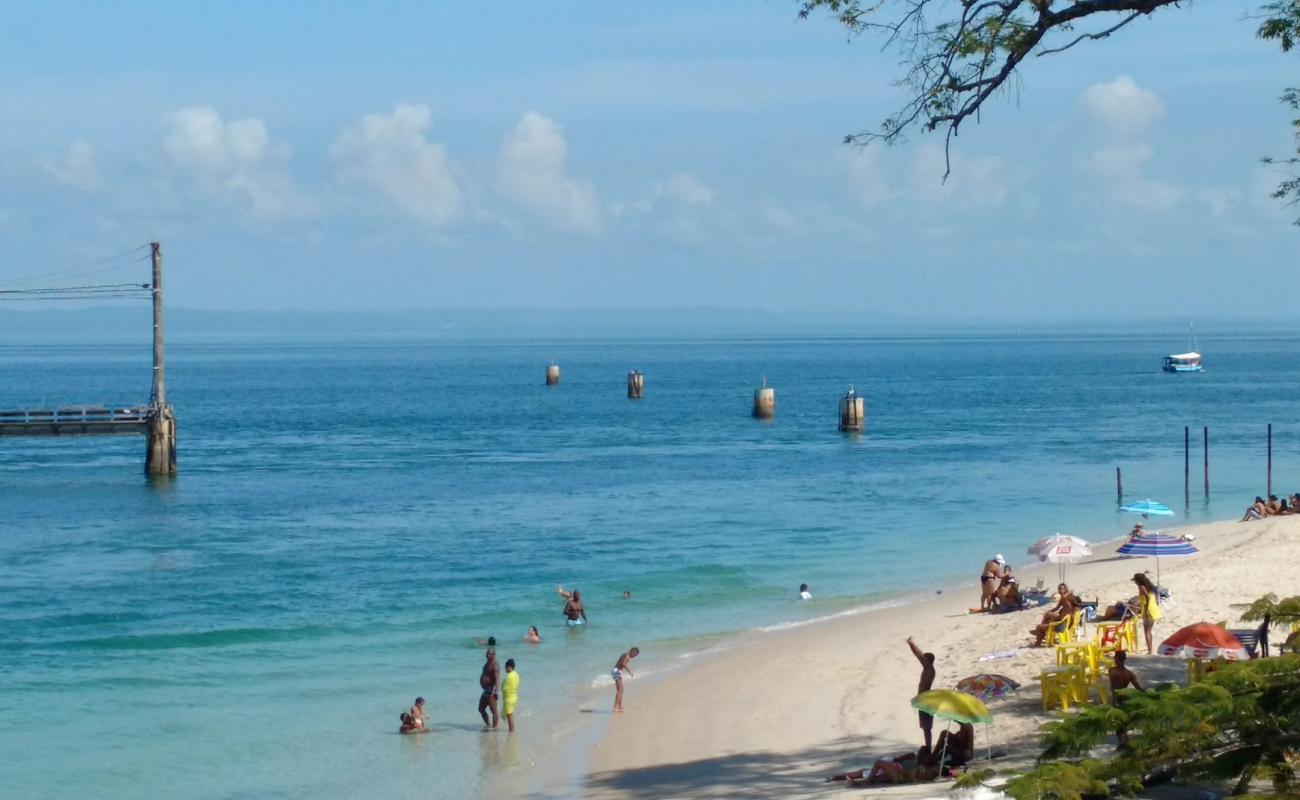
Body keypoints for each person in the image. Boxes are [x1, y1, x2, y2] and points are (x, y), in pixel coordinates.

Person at [826, 747, 939, 785]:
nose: (919, 755)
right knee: (865, 773)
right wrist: (904, 756)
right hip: (895, 772)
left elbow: (925, 776)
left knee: (878, 764)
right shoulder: (913, 758)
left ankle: (865, 782)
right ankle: (837, 778)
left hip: (899, 775)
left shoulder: (925, 768)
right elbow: (896, 760)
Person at [1107, 649, 1143, 747]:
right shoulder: (1129, 674)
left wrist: (1114, 703)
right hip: (1126, 701)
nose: (1114, 659)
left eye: (1115, 658)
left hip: (1117, 700)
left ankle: (1124, 746)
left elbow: (1114, 689)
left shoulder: (1112, 671)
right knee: (1123, 727)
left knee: (1119, 728)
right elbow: (1139, 688)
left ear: (1117, 659)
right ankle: (1126, 744)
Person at [907, 636, 937, 751]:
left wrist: (911, 644)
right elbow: (920, 656)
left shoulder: (929, 668)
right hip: (925, 698)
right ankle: (928, 746)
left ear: (927, 661)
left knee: (926, 727)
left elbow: (918, 654)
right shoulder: (929, 669)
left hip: (926, 699)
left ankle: (928, 748)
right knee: (926, 727)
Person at [1133, 573, 1161, 654]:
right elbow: (1151, 597)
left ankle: (1150, 651)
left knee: (1147, 632)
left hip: (1149, 611)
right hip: (1154, 610)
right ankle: (1150, 649)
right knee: (1149, 631)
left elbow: (1147, 597)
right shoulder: (1150, 586)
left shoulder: (1142, 587)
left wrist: (1145, 610)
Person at [478, 647, 500, 729]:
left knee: (494, 711)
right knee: (481, 709)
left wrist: (496, 691)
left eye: (490, 653)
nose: (488, 655)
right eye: (487, 653)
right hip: (485, 690)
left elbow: (497, 679)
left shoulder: (495, 666)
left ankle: (495, 729)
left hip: (491, 690)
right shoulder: (487, 663)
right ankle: (488, 725)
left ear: (494, 655)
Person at [612, 646, 639, 712]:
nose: (634, 657)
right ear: (632, 651)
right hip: (617, 671)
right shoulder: (627, 655)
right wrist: (629, 672)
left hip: (617, 671)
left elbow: (621, 663)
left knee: (621, 689)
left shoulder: (625, 654)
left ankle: (620, 706)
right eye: (635, 655)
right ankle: (615, 707)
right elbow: (623, 664)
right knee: (620, 689)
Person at [501, 658, 520, 732]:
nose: (505, 669)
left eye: (505, 667)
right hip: (514, 697)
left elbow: (503, 687)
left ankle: (511, 731)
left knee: (509, 716)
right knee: (511, 714)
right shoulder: (516, 675)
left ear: (509, 667)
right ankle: (512, 730)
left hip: (509, 699)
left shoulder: (509, 676)